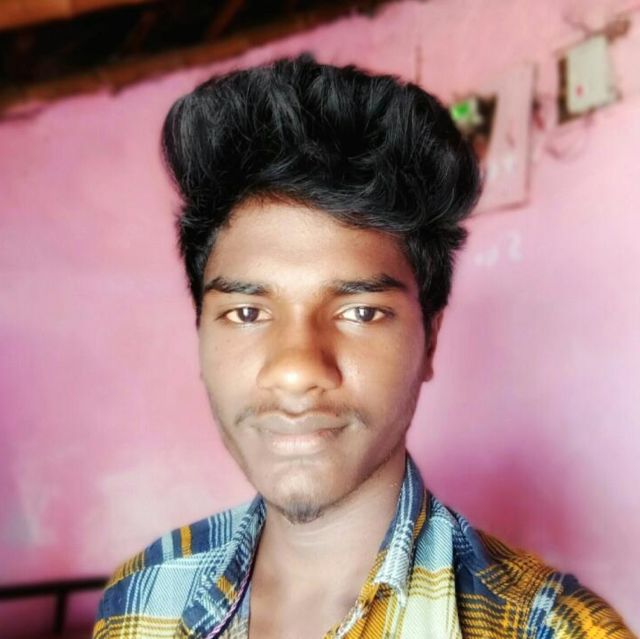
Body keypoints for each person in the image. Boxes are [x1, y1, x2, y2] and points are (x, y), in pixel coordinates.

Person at [92, 55, 634, 639]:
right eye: (247, 313)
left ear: (430, 339)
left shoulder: (554, 629)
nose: (297, 369)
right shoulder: (143, 596)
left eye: (361, 312)